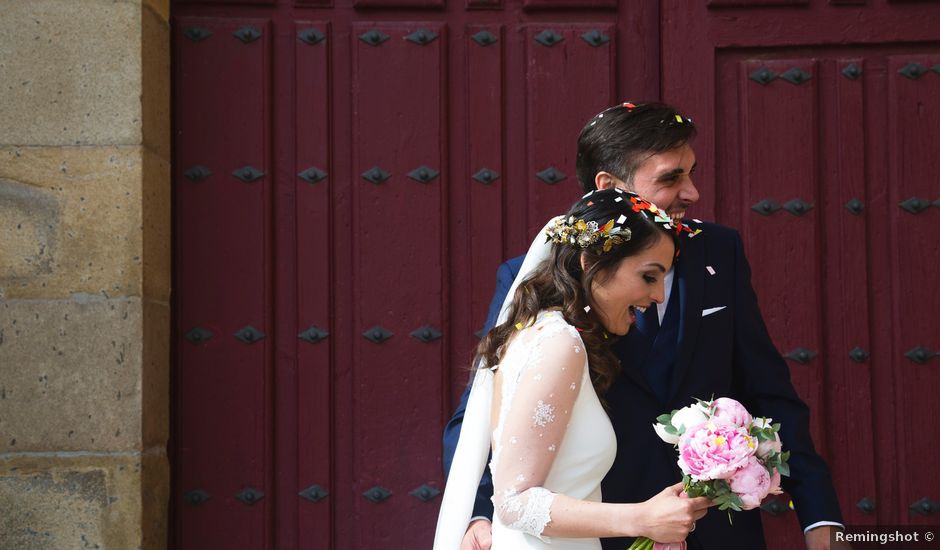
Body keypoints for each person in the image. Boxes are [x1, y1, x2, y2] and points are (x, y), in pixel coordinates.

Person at [443, 102, 847, 550]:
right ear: (610, 187)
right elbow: (482, 412)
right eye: (671, 177)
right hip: (600, 529)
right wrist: (478, 514)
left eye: (692, 173)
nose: (692, 192)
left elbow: (769, 389)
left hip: (716, 535)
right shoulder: (536, 282)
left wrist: (818, 514)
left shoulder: (720, 253)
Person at [434, 189, 713, 549]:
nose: (659, 295)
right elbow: (515, 502)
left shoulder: (544, 333)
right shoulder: (558, 343)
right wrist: (641, 518)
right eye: (648, 276)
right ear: (590, 262)